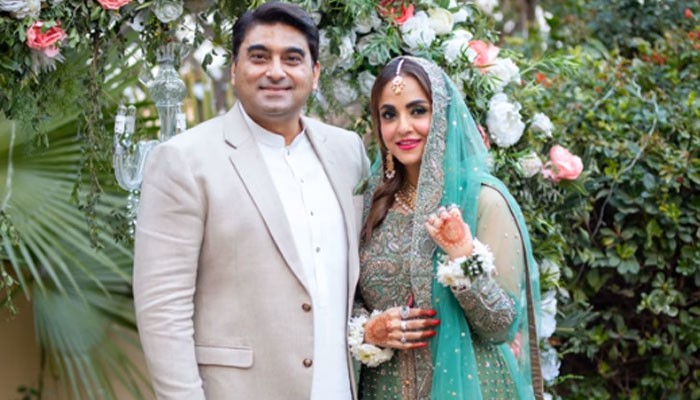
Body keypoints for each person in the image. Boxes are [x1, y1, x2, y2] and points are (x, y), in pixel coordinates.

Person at [133, 2, 369, 399]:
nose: (275, 71)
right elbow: (163, 309)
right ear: (234, 69)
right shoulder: (184, 160)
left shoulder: (347, 152)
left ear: (314, 73)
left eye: (292, 59)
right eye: (259, 57)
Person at [349, 56, 544, 399]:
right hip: (385, 389)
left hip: (472, 387)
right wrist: (369, 330)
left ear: (442, 116)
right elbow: (342, 299)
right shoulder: (368, 206)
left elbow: (502, 326)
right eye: (389, 115)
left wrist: (463, 257)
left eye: (418, 111)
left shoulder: (483, 201)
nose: (403, 127)